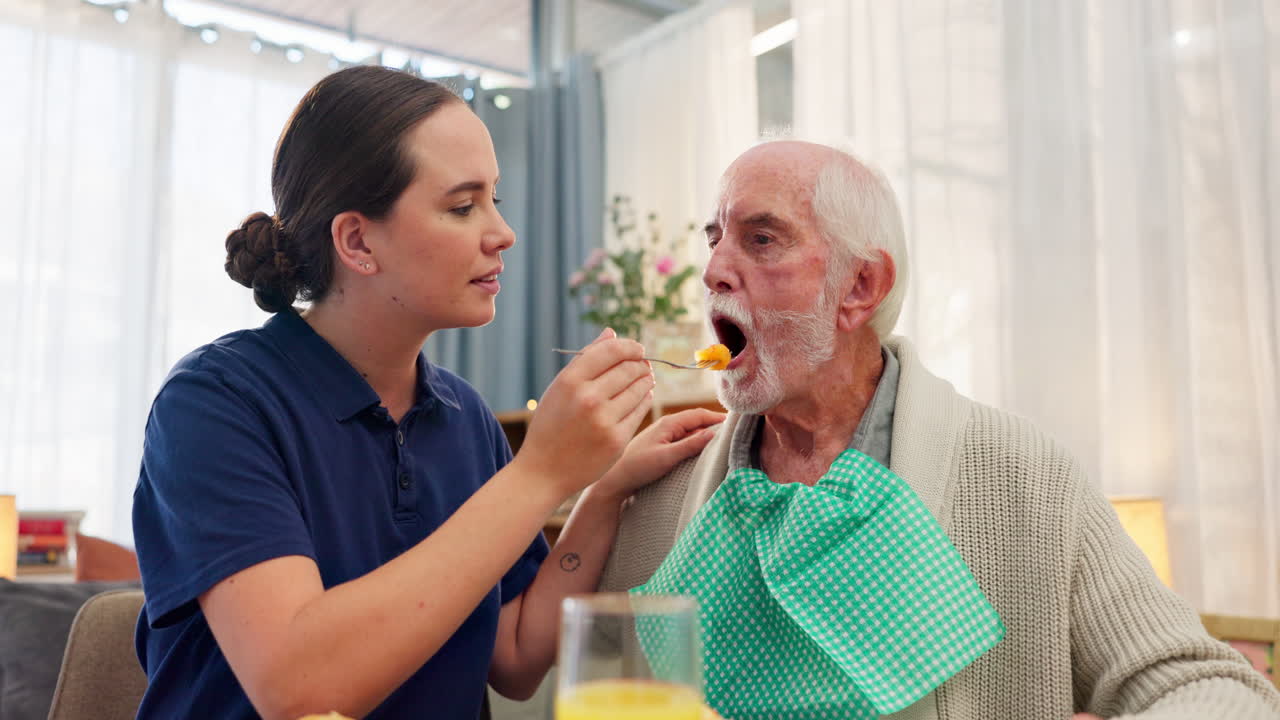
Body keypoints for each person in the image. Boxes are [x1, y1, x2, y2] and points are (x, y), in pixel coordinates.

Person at [599, 140, 1280, 719]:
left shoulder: (1026, 478)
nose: (714, 271)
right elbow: (575, 677)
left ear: (861, 287)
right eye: (715, 239)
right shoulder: (661, 489)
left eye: (762, 239)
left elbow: (1210, 689)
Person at [131, 65, 723, 720]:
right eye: (463, 206)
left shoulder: (464, 418)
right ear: (358, 240)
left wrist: (603, 491)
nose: (503, 233)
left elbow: (516, 654)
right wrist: (540, 473)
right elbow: (298, 687)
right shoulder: (215, 404)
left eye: (495, 199)